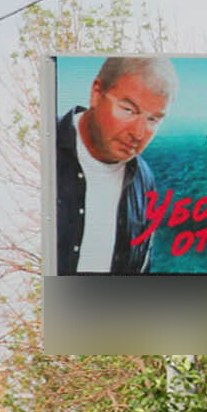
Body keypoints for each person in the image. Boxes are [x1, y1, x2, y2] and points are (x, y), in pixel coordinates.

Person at [54, 54, 174, 273]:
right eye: (128, 110)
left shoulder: (144, 179)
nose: (138, 134)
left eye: (152, 120)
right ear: (97, 93)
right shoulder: (45, 147)